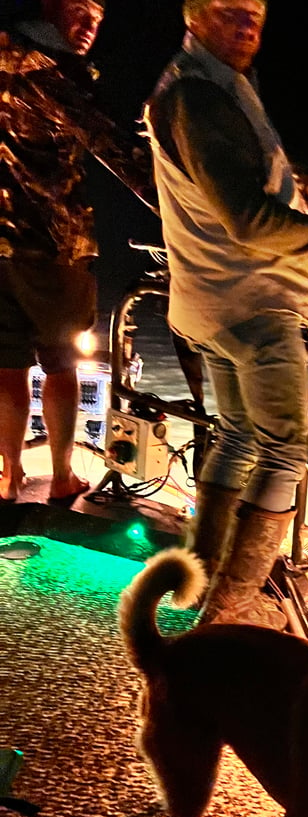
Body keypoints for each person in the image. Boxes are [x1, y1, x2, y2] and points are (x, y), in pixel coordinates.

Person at [143, 0, 308, 628]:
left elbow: (237, 173)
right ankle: (228, 616)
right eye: (230, 11)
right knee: (283, 454)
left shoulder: (213, 85)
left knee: (240, 437)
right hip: (252, 306)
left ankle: (198, 579)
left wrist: (297, 185)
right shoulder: (198, 94)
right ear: (192, 14)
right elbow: (245, 220)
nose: (248, 25)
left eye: (258, 14)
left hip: (208, 302)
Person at [0, 0, 157, 503]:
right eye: (81, 12)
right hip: (52, 246)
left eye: (99, 19)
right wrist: (194, 211)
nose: (90, 27)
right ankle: (63, 474)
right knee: (62, 365)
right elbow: (116, 149)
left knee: (7, 366)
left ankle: (9, 476)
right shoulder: (55, 71)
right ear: (49, 6)